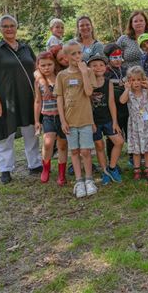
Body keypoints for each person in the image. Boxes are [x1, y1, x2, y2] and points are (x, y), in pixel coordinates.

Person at [0, 15, 42, 184]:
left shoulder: (25, 47)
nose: (9, 29)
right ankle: (5, 169)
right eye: (5, 26)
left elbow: (37, 69)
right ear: (0, 29)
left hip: (28, 98)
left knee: (31, 132)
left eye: (12, 25)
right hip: (5, 100)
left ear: (16, 28)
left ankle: (35, 164)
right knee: (5, 135)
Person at [55, 41, 98, 198]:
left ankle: (89, 179)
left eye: (80, 53)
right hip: (69, 120)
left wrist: (84, 73)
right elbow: (59, 99)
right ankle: (79, 181)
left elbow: (88, 92)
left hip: (85, 119)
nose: (78, 56)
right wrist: (62, 120)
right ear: (66, 57)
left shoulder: (87, 71)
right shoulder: (62, 75)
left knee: (86, 151)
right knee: (74, 151)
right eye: (73, 54)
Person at [87, 54, 125, 185]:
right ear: (88, 68)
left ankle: (112, 167)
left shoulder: (108, 81)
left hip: (108, 119)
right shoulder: (87, 83)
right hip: (94, 121)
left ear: (105, 67)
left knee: (119, 141)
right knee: (99, 145)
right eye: (94, 65)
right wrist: (91, 123)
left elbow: (111, 102)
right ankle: (105, 171)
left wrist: (115, 121)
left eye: (101, 65)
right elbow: (86, 104)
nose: (98, 67)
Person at [119, 66, 148, 182]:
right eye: (132, 80)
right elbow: (122, 101)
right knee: (136, 150)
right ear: (128, 81)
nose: (136, 83)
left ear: (143, 80)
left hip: (146, 123)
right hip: (135, 124)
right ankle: (136, 169)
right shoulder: (129, 93)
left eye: (138, 79)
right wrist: (126, 89)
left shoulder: (146, 92)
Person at [34, 51, 68, 185]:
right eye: (43, 65)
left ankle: (61, 173)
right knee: (48, 144)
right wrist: (37, 120)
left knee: (62, 145)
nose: (46, 68)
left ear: (55, 64)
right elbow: (38, 101)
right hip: (48, 117)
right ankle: (46, 168)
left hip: (62, 117)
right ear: (38, 66)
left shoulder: (61, 78)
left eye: (49, 64)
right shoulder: (39, 82)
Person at [103, 44, 129, 169]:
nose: (117, 60)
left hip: (126, 108)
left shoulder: (125, 69)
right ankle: (112, 161)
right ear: (108, 59)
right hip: (113, 109)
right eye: (114, 57)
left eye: (119, 56)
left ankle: (133, 156)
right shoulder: (106, 72)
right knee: (113, 135)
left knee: (129, 132)